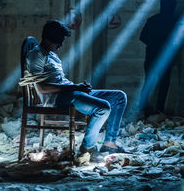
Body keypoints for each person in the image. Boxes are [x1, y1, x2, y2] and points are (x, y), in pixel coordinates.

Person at [26, 20, 127, 162]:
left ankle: (109, 143)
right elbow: (43, 88)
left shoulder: (51, 54)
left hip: (70, 92)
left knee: (119, 97)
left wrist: (78, 87)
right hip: (56, 98)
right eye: (58, 42)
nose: (60, 45)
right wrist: (76, 87)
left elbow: (61, 81)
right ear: (48, 39)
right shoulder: (36, 55)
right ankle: (87, 148)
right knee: (103, 108)